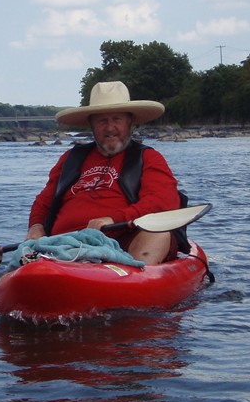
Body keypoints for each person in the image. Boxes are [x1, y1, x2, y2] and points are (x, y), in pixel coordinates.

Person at [26, 81, 181, 265]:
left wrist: (113, 219)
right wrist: (35, 227)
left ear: (129, 121)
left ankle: (132, 277)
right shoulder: (70, 159)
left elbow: (162, 202)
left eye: (117, 119)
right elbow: (43, 201)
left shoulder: (148, 157)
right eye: (102, 121)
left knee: (159, 232)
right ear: (91, 124)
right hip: (64, 245)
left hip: (123, 245)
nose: (110, 128)